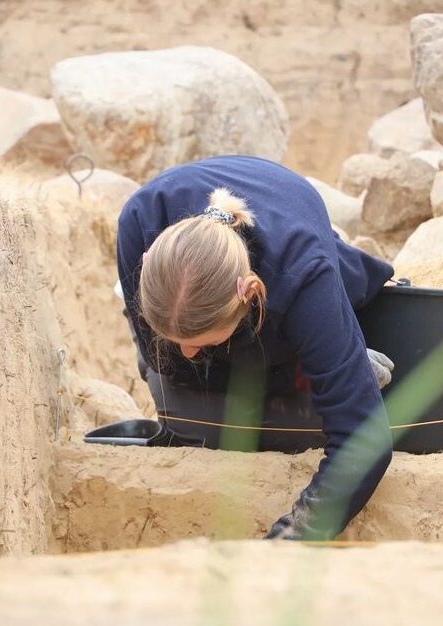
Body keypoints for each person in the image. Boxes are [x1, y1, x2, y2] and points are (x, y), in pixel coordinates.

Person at [116, 154, 395, 540]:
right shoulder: (139, 222)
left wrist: (287, 542)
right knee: (178, 393)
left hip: (290, 256)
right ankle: (318, 366)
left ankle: (324, 355)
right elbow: (169, 361)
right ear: (146, 265)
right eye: (177, 340)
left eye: (201, 342)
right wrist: (182, 350)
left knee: (270, 419)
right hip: (227, 272)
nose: (188, 353)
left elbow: (365, 440)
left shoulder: (304, 276)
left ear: (249, 293)